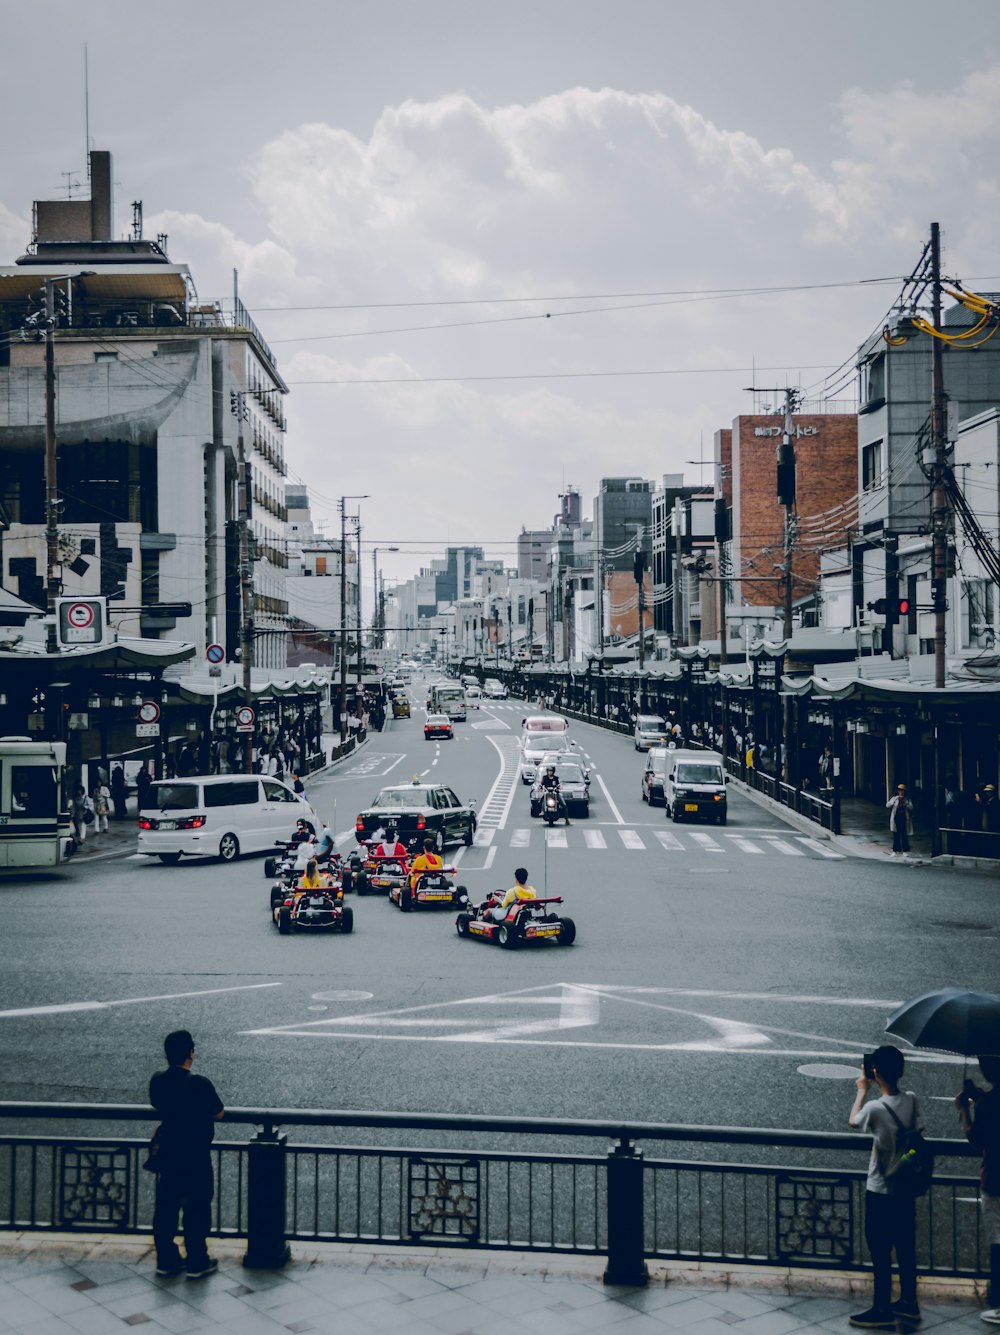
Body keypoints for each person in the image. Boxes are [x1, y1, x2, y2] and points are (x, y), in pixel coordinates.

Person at [848, 1044, 920, 1328]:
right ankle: (909, 1302)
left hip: (880, 1188)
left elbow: (854, 1121)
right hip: (905, 1187)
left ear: (875, 1071)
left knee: (880, 1251)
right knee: (905, 1248)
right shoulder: (912, 1099)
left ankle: (881, 1308)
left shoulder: (876, 1108)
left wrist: (862, 1090)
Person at [149, 1030, 224, 1279]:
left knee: (166, 1209)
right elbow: (218, 1112)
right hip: (195, 1154)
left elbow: (157, 1104)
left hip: (168, 1154)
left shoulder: (158, 1080)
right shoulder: (199, 1083)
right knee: (197, 1209)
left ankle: (166, 1259)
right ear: (191, 1053)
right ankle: (197, 1260)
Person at [955, 1055, 1000, 1324]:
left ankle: (998, 1300)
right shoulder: (988, 1100)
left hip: (995, 1178)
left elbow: (976, 1139)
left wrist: (964, 1109)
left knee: (998, 1240)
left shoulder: (987, 1104)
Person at [886, 784, 914, 859]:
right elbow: (888, 805)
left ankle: (905, 850)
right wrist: (895, 800)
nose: (901, 792)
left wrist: (906, 803)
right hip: (896, 818)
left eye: (902, 791)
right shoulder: (895, 798)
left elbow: (911, 808)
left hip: (904, 818)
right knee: (896, 835)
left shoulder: (907, 799)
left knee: (904, 834)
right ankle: (895, 850)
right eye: (900, 790)